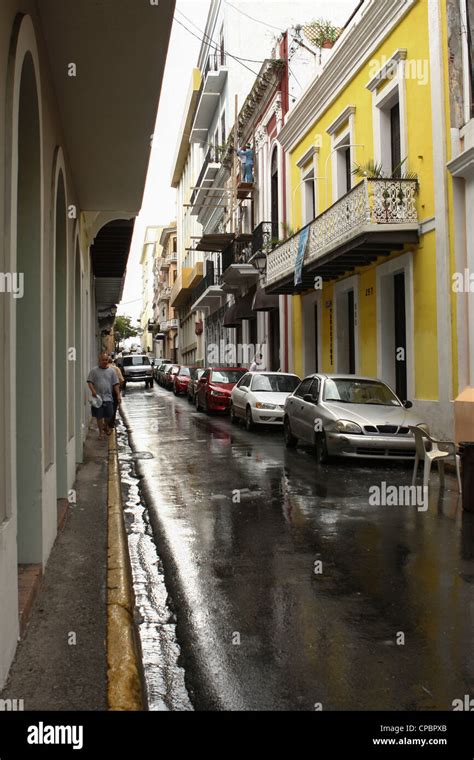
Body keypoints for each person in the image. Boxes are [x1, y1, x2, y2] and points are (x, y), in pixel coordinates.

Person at [87, 352, 121, 440]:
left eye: (106, 360)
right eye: (103, 360)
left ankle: (105, 426)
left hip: (108, 398)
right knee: (99, 416)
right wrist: (93, 391)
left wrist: (118, 395)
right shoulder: (94, 371)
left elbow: (116, 384)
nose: (104, 361)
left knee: (109, 415)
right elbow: (90, 382)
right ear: (99, 360)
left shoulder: (111, 371)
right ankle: (101, 433)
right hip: (98, 398)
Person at [108, 356, 124, 428]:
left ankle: (106, 423)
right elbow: (121, 380)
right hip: (114, 390)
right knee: (114, 407)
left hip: (105, 390)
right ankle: (111, 423)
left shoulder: (102, 368)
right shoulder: (116, 369)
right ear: (112, 362)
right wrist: (120, 389)